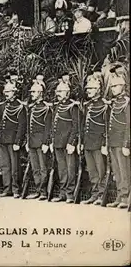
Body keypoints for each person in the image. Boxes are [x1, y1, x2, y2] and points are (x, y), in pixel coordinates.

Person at [50, 75, 79, 203]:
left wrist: (72, 142)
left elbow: (76, 126)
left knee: (70, 168)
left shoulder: (73, 106)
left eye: (61, 91)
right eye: (57, 91)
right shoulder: (57, 106)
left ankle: (70, 194)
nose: (58, 94)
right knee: (62, 169)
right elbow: (53, 125)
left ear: (67, 93)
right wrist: (52, 141)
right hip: (58, 143)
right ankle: (62, 193)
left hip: (67, 143)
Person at [80, 72, 107, 205]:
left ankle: (102, 195)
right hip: (88, 143)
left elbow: (107, 126)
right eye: (88, 89)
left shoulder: (104, 105)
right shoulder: (87, 105)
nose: (88, 91)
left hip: (98, 143)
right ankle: (95, 194)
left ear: (98, 89)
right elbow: (83, 124)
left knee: (101, 170)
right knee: (92, 171)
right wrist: (81, 142)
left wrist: (104, 143)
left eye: (91, 89)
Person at [0, 80, 26, 198]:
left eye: (8, 91)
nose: (6, 93)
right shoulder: (2, 106)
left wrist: (18, 141)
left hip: (13, 141)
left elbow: (21, 125)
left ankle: (15, 189)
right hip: (3, 140)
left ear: (14, 92)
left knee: (15, 166)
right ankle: (7, 188)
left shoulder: (20, 106)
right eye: (5, 91)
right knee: (5, 166)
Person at [106, 68, 130, 209]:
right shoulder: (115, 103)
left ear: (123, 86)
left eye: (116, 86)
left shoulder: (126, 102)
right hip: (114, 141)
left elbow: (128, 125)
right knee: (117, 170)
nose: (113, 88)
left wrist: (126, 144)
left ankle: (126, 198)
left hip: (122, 142)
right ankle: (120, 196)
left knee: (124, 170)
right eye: (112, 86)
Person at [26, 75, 52, 200]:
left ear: (40, 93)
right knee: (35, 168)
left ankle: (43, 192)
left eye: (34, 92)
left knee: (43, 168)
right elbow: (28, 127)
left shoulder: (46, 108)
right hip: (32, 142)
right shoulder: (32, 107)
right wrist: (27, 142)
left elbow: (47, 127)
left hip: (41, 141)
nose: (31, 94)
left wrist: (46, 142)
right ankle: (38, 189)